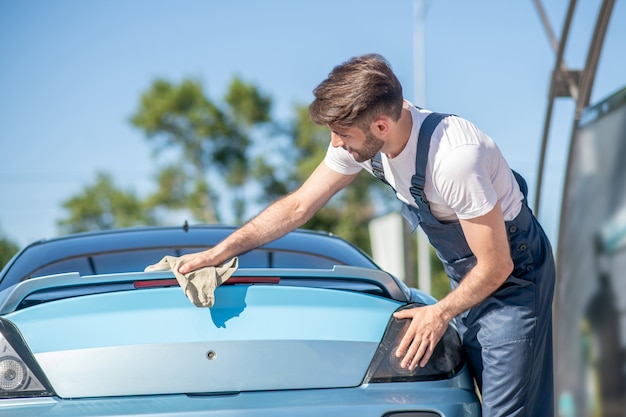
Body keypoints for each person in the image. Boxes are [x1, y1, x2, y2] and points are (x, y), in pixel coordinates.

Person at [177, 53, 556, 417]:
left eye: (342, 135)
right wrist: (217, 253)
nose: (337, 144)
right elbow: (297, 207)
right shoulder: (366, 138)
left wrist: (439, 312)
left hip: (512, 279)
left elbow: (496, 264)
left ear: (381, 127)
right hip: (469, 279)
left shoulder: (454, 159)